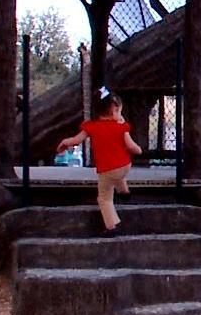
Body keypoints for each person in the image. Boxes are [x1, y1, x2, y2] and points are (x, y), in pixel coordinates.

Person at [57, 93, 142, 231]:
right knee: (119, 175)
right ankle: (124, 192)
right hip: (125, 166)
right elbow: (131, 146)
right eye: (119, 111)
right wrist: (138, 150)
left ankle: (111, 226)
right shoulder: (122, 127)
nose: (120, 115)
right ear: (113, 111)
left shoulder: (91, 127)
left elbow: (76, 141)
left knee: (104, 199)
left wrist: (64, 143)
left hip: (107, 169)